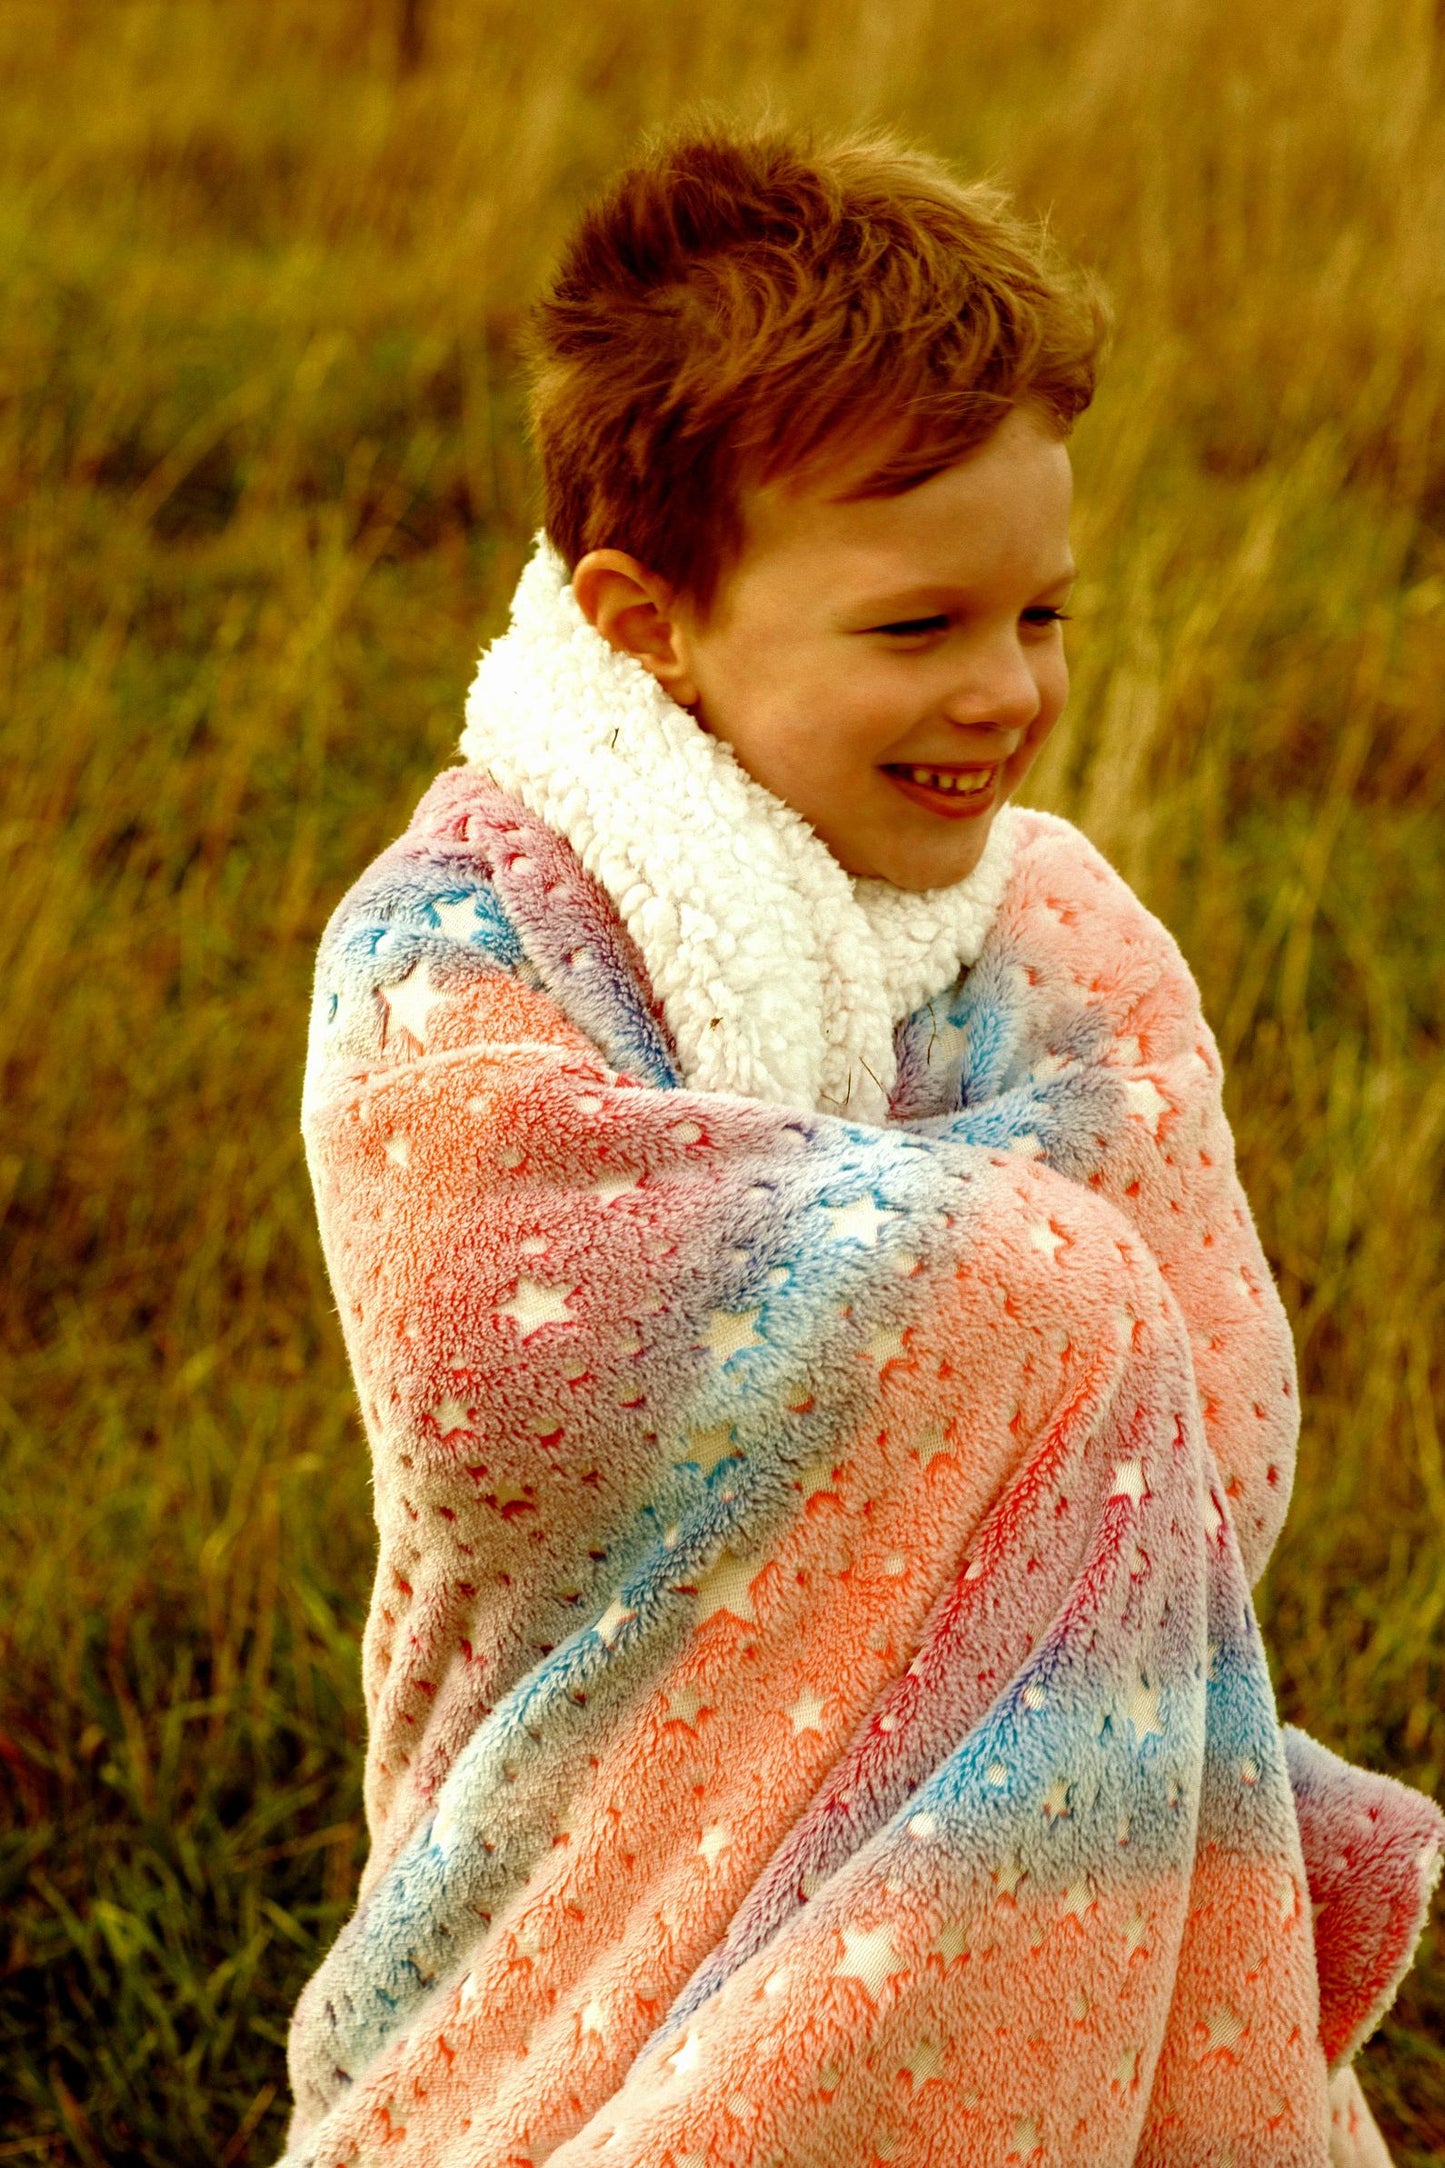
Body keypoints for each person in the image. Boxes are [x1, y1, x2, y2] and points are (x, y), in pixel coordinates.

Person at [276, 123, 1441, 2167]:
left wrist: (1005, 1331)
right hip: (585, 1822)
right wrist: (1001, 1289)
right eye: (920, 632)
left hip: (1036, 1801)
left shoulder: (1054, 927)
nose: (1007, 694)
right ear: (648, 615)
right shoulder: (468, 942)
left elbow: (1215, 1408)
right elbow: (486, 1348)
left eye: (1046, 617)